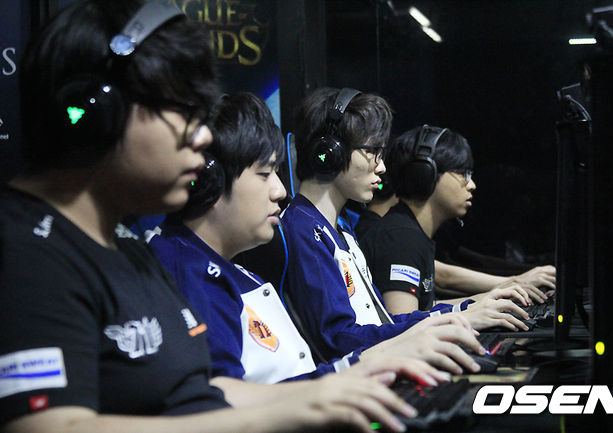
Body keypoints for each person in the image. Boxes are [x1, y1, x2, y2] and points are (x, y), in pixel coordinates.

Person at [0, 3, 427, 432]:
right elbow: (49, 427)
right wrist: (290, 411)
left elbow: (202, 395)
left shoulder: (125, 246)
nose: (203, 137)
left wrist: (337, 385)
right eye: (185, 111)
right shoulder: (24, 253)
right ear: (98, 110)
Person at [147, 93, 476, 407]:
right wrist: (380, 357)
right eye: (264, 174)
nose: (279, 191)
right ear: (209, 180)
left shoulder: (234, 269)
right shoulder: (188, 269)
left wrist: (424, 331)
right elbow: (221, 402)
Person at [279, 88, 529, 363]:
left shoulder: (340, 229)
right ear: (330, 152)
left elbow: (382, 321)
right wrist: (452, 320)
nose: (381, 167)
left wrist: (463, 310)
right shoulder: (304, 229)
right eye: (372, 151)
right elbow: (340, 341)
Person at [358, 125, 551, 323]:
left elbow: (424, 309)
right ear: (426, 174)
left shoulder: (409, 232)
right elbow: (403, 322)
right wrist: (471, 311)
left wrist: (483, 302)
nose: (472, 185)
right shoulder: (400, 237)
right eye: (463, 174)